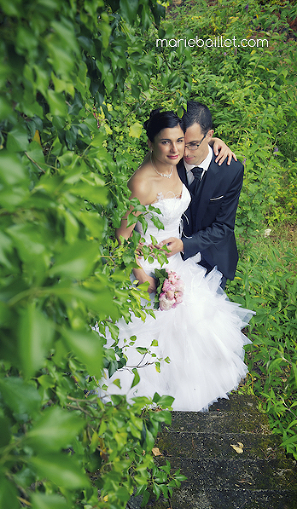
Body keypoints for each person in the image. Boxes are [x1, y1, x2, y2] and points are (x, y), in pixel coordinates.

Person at [99, 110, 253, 412]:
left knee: (192, 326)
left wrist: (213, 141)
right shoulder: (142, 184)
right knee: (150, 329)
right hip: (146, 263)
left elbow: (197, 147)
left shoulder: (178, 163)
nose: (176, 149)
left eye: (181, 142)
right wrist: (141, 276)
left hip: (178, 259)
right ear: (151, 143)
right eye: (166, 142)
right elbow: (121, 237)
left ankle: (180, 380)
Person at [160, 100, 245, 289]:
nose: (185, 152)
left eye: (193, 144)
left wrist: (185, 244)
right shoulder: (168, 160)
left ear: (209, 135)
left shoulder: (230, 171)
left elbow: (223, 226)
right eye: (182, 142)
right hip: (171, 258)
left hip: (212, 260)